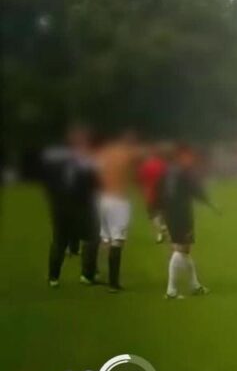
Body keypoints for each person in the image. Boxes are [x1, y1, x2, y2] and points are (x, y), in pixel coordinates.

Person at [42, 125, 101, 287]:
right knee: (92, 238)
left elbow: (48, 183)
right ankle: (87, 275)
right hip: (81, 207)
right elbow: (94, 184)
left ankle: (53, 277)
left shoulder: (55, 159)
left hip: (60, 206)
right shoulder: (86, 160)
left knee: (59, 241)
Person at [158, 145, 216, 298]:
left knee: (185, 250)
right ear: (181, 157)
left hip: (171, 212)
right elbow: (196, 190)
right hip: (181, 214)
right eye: (188, 157)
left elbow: (161, 191)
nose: (191, 160)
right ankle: (171, 290)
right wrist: (210, 204)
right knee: (180, 250)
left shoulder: (169, 171)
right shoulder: (183, 172)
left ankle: (194, 285)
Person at [95, 130, 140, 292]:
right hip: (119, 201)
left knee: (105, 239)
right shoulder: (128, 155)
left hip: (103, 199)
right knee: (117, 241)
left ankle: (97, 272)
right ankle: (113, 283)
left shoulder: (104, 154)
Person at [138, 143, 170, 243]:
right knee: (163, 213)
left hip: (151, 193)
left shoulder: (145, 166)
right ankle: (162, 232)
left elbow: (141, 179)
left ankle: (161, 229)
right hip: (163, 193)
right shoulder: (163, 165)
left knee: (153, 214)